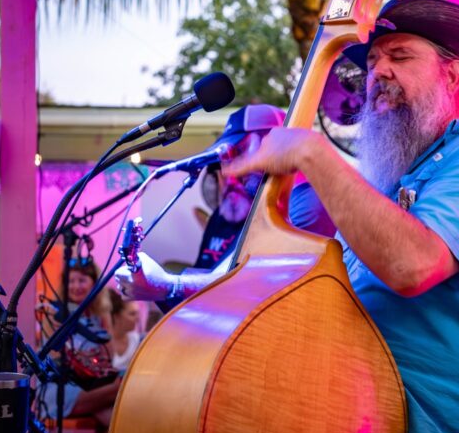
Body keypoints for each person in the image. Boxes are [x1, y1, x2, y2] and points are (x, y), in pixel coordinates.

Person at [223, 0, 459, 433]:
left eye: (400, 56)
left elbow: (411, 264)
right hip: (371, 424)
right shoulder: (387, 179)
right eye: (374, 61)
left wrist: (311, 150)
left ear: (453, 74)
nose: (378, 72)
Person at [114, 104, 335, 304]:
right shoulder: (259, 214)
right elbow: (221, 277)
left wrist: (171, 286)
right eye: (224, 159)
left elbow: (255, 284)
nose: (228, 169)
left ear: (273, 141)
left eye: (237, 152)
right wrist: (156, 286)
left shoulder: (307, 201)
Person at [39, 260, 120, 433]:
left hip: (90, 386)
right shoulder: (55, 313)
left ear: (93, 283)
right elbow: (56, 358)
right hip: (61, 389)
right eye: (71, 281)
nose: (75, 286)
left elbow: (109, 357)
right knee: (121, 390)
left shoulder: (100, 314)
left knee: (116, 422)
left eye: (81, 280)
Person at [108, 290, 141, 370]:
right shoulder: (102, 344)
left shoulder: (137, 340)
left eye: (137, 313)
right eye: (132, 314)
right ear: (117, 316)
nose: (138, 318)